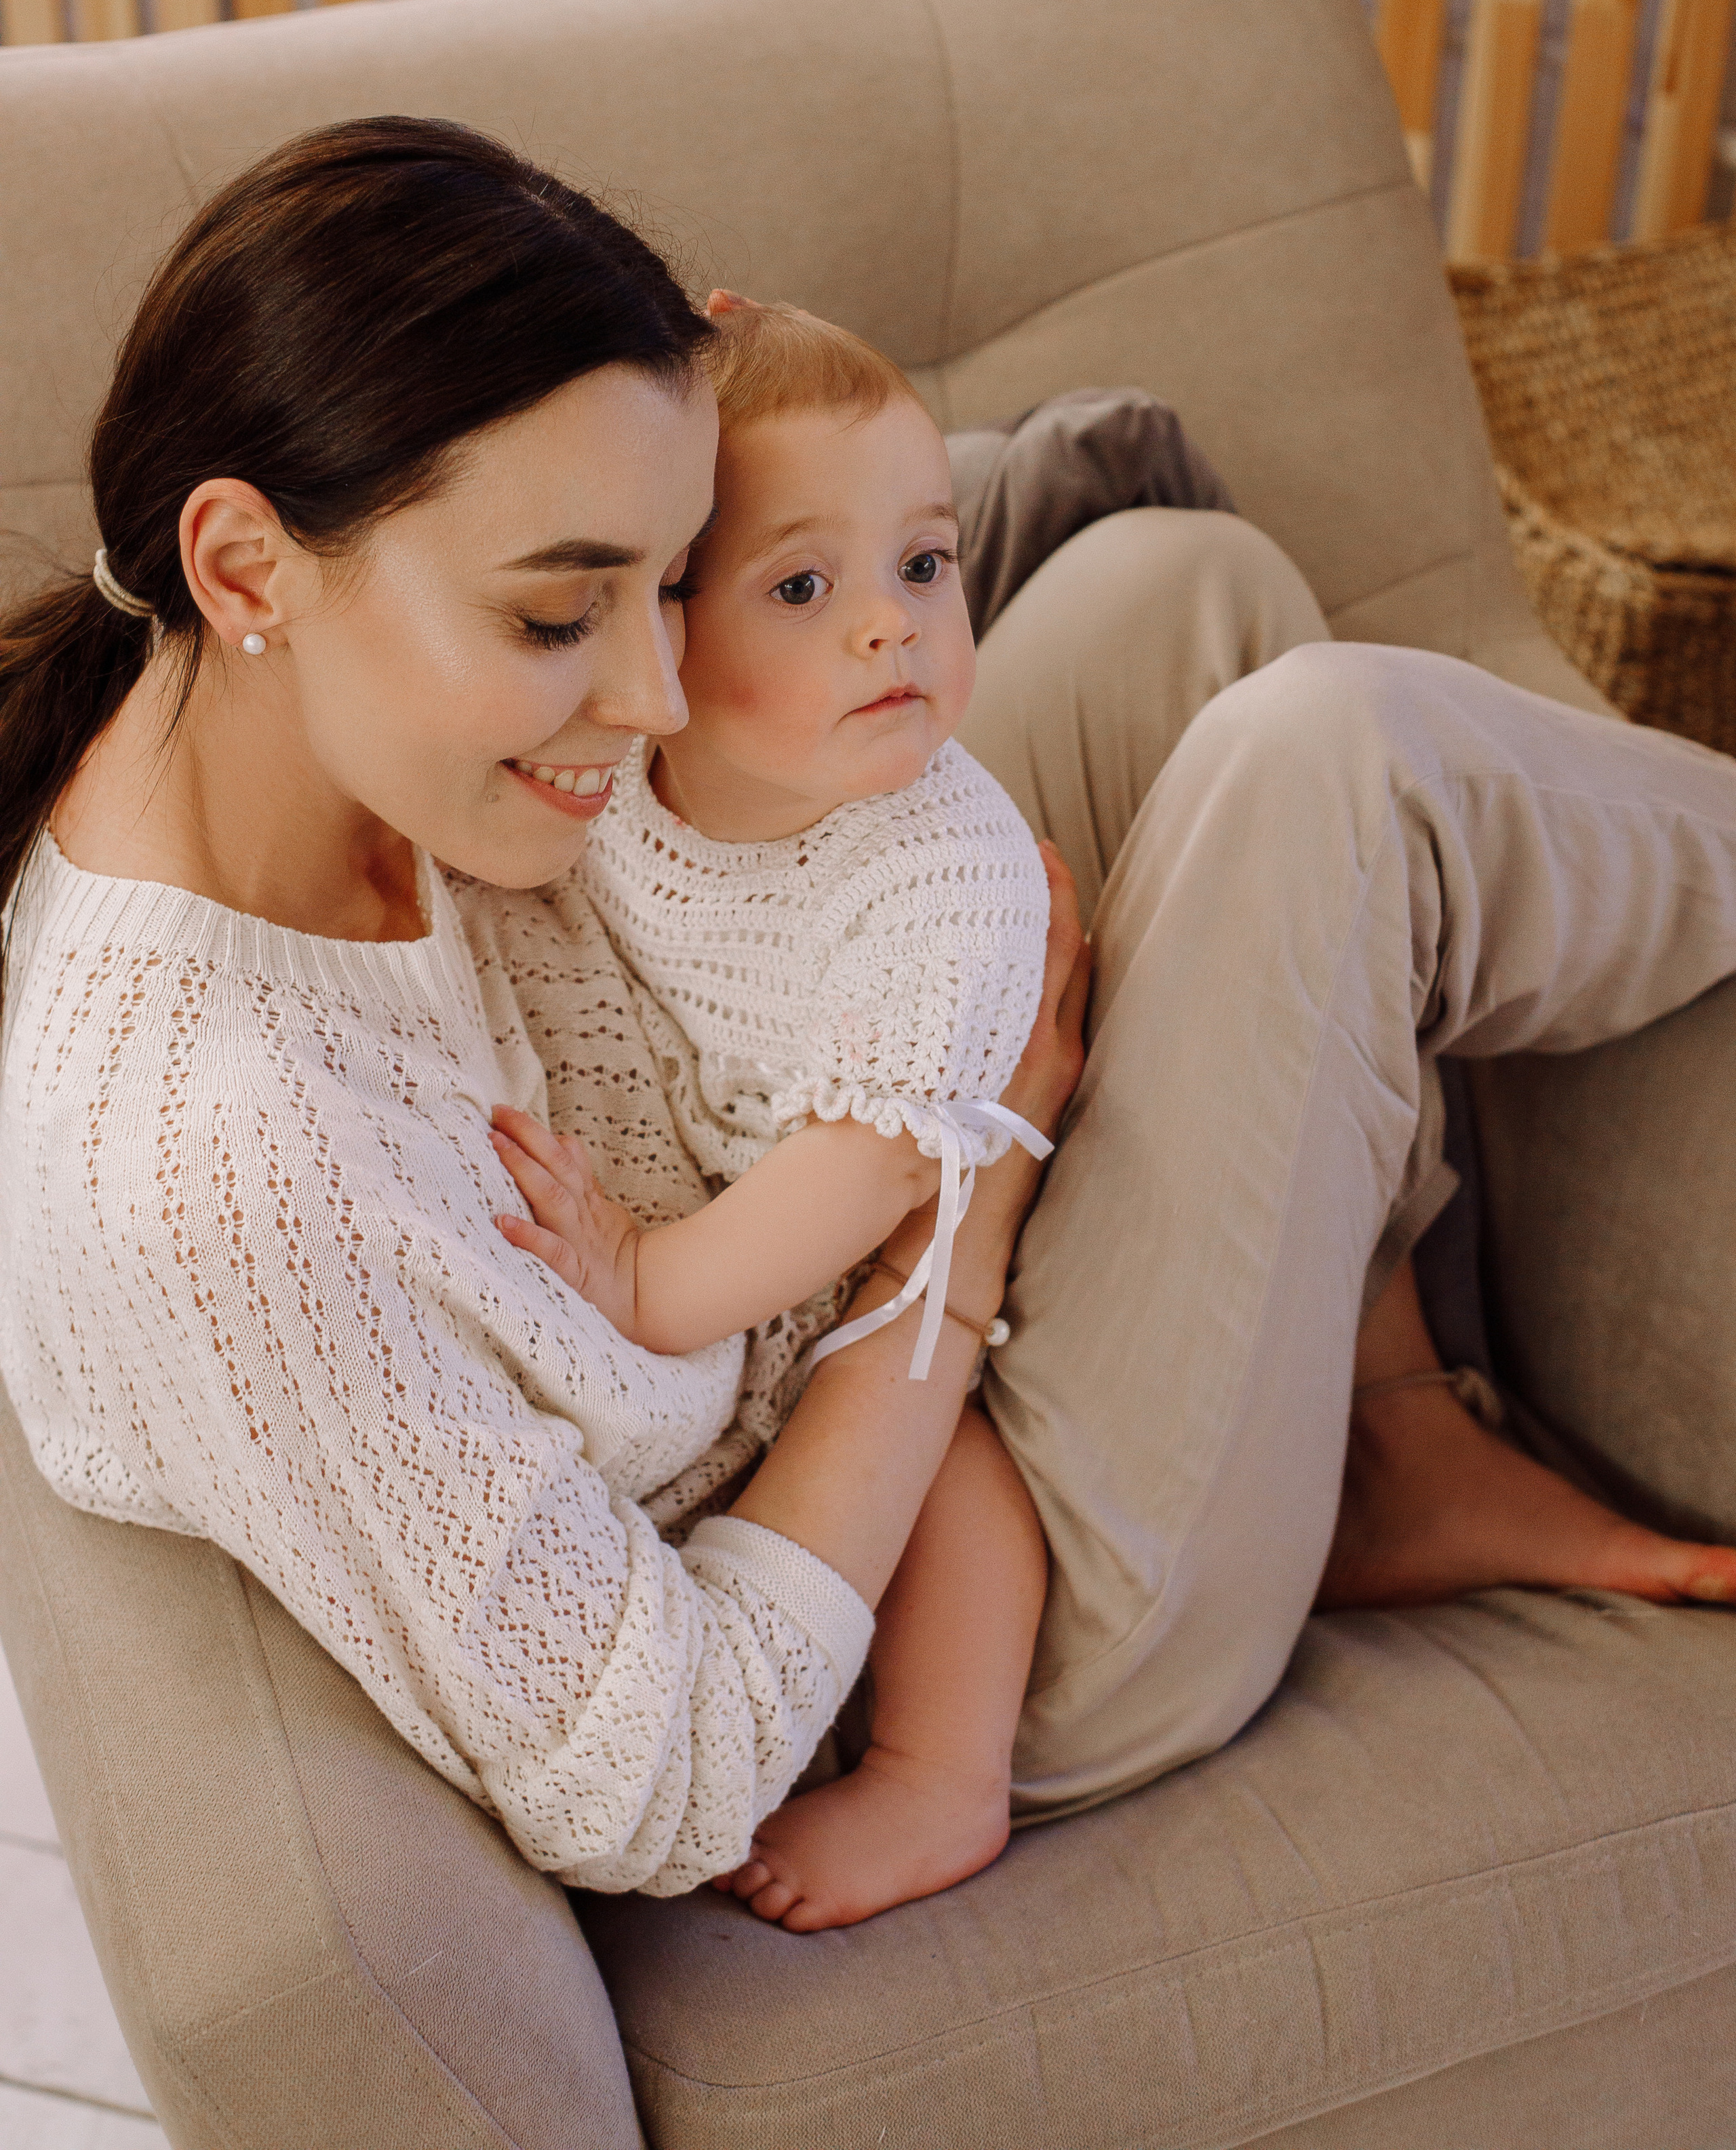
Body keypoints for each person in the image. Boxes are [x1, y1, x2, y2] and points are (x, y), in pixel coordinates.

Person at [3, 118, 1735, 1934]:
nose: (653, 695)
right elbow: (665, 1772)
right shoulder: (224, 1174)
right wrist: (951, 1234)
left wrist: (730, 407)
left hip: (794, 1225)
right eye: (560, 614)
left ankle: (1380, 1428)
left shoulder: (258, 729)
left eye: (667, 585)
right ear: (248, 569)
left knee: (1176, 590)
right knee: (1340, 761)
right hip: (935, 1599)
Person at [492, 296, 1061, 1931]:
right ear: (655, 628)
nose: (891, 628)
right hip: (756, 1188)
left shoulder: (939, 874)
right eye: (803, 588)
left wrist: (652, 1281)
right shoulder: (614, 768)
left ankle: (944, 1774)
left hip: (904, 1214)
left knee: (954, 1474)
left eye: (925, 565)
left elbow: (869, 1174)